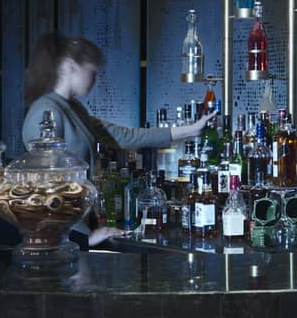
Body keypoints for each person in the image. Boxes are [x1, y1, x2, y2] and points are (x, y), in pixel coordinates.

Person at [22, 32, 215, 247]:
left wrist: (191, 130)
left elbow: (125, 136)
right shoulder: (47, 112)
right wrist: (82, 239)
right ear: (70, 66)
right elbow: (42, 190)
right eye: (92, 72)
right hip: (61, 237)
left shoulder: (73, 109)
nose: (95, 79)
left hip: (78, 228)